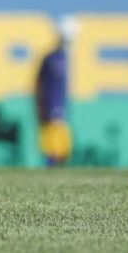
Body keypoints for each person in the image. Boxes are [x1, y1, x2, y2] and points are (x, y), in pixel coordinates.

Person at [35, 16, 78, 166]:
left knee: (63, 140)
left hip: (61, 104)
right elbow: (38, 83)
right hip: (49, 104)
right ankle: (51, 164)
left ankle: (59, 164)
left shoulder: (65, 57)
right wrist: (40, 104)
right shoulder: (50, 58)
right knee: (52, 138)